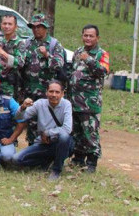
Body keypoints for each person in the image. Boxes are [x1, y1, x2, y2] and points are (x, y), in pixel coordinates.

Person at [12, 80, 74, 180]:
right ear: (46, 92)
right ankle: (46, 160)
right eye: (51, 91)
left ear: (62, 94)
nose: (54, 95)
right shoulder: (40, 104)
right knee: (16, 159)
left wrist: (47, 132)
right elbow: (19, 117)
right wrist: (23, 107)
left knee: (64, 136)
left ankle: (56, 170)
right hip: (44, 143)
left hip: (60, 143)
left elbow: (67, 129)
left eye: (57, 92)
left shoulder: (66, 104)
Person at [68, 24, 109, 174]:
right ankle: (78, 158)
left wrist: (89, 60)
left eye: (91, 36)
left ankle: (92, 161)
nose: (88, 38)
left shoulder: (102, 54)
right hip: (75, 100)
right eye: (85, 35)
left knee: (90, 132)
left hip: (90, 102)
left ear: (97, 38)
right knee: (77, 131)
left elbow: (103, 72)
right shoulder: (78, 51)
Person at [20, 13, 65, 142]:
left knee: (47, 122)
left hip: (47, 93)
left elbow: (59, 65)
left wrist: (47, 55)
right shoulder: (28, 43)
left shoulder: (54, 44)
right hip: (29, 90)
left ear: (46, 28)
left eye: (39, 27)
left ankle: (47, 152)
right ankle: (32, 149)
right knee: (31, 122)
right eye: (33, 27)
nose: (36, 29)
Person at [0, 14, 26, 98]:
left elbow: (20, 63)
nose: (6, 26)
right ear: (1, 25)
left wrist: (3, 53)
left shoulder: (19, 43)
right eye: (4, 23)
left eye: (10, 24)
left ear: (15, 27)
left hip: (10, 87)